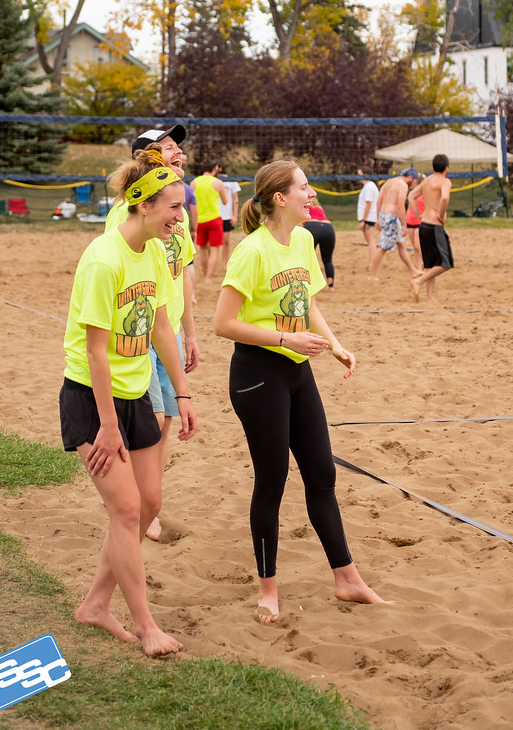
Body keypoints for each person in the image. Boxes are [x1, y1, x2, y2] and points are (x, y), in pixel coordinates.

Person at [214, 158, 392, 624]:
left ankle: (347, 579)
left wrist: (334, 345)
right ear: (280, 198)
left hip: (297, 371)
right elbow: (222, 324)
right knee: (272, 482)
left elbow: (306, 302)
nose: (312, 194)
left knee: (322, 474)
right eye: (305, 187)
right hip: (257, 373)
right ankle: (267, 590)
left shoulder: (305, 239)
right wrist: (284, 339)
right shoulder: (251, 251)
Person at [59, 152, 197, 656]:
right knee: (126, 508)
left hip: (138, 391)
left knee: (150, 504)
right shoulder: (103, 258)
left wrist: (181, 392)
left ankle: (95, 604)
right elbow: (95, 352)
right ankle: (145, 625)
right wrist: (108, 425)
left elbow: (162, 325)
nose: (180, 218)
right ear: (141, 205)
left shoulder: (157, 253)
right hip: (93, 398)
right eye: (173, 208)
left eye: (181, 208)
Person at [106, 124, 198, 541]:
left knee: (163, 425)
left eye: (178, 144)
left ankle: (149, 502)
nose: (178, 150)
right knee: (155, 419)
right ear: (146, 160)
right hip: (139, 333)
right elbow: (121, 278)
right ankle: (140, 507)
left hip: (168, 331)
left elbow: (184, 274)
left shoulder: (176, 209)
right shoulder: (127, 215)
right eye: (167, 146)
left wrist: (189, 334)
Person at [409, 154, 454, 303]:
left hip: (424, 225)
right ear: (446, 168)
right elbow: (445, 198)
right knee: (445, 263)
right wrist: (441, 214)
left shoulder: (426, 181)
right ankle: (418, 281)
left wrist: (418, 214)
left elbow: (411, 196)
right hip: (435, 226)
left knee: (431, 263)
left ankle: (429, 297)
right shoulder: (445, 181)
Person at [368, 168, 420, 280]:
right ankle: (372, 275)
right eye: (415, 180)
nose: (414, 183)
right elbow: (400, 205)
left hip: (384, 215)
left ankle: (413, 270)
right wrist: (405, 225)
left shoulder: (389, 181)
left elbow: (379, 201)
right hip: (391, 218)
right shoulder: (403, 185)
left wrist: (378, 219)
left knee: (401, 245)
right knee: (383, 247)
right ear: (410, 178)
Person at [191, 162, 228, 283]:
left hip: (200, 220)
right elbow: (225, 201)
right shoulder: (217, 182)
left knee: (202, 249)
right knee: (214, 249)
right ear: (213, 169)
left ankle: (205, 273)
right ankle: (208, 278)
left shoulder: (193, 183)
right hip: (214, 219)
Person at [303, 200, 336, 289]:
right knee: (327, 260)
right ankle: (331, 286)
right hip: (328, 228)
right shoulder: (319, 207)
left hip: (312, 227)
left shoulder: (303, 207)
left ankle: (310, 285)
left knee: (308, 259)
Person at [356, 170, 379, 272]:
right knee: (370, 241)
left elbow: (368, 204)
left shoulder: (369, 186)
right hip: (369, 217)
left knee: (371, 241)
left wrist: (363, 220)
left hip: (369, 218)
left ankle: (372, 263)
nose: (358, 176)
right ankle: (372, 263)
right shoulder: (369, 186)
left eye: (360, 173)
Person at [217, 166, 240, 268]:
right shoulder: (212, 180)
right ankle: (211, 263)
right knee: (212, 243)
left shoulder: (231, 181)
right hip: (214, 215)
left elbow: (235, 199)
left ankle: (225, 263)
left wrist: (234, 216)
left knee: (226, 241)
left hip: (227, 215)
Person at [405, 173, 425, 271]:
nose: (411, 183)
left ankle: (425, 264)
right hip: (410, 221)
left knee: (418, 246)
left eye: (413, 181)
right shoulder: (411, 193)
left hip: (420, 221)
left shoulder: (424, 192)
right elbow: (409, 208)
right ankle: (418, 267)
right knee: (415, 247)